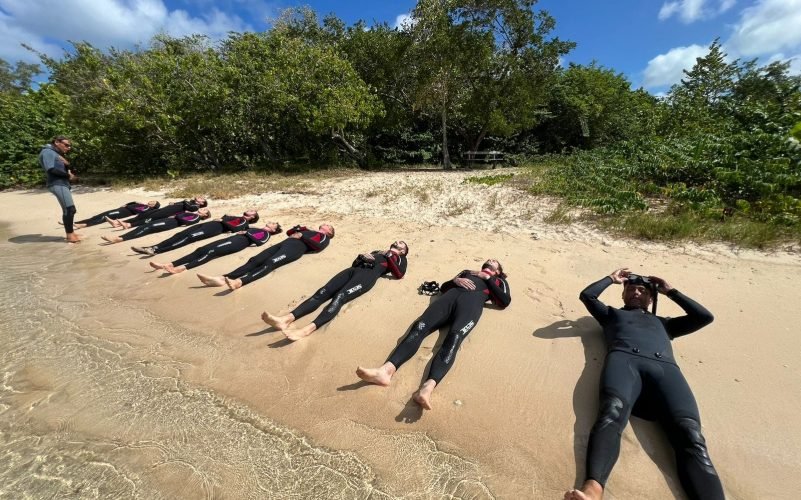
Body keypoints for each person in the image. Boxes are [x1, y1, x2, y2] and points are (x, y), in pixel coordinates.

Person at [564, 268, 724, 500]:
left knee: (690, 434)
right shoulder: (611, 314)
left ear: (651, 298)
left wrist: (671, 291)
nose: (636, 292)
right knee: (611, 412)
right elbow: (588, 296)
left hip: (666, 372)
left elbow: (704, 317)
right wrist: (611, 279)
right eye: (631, 289)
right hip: (625, 363)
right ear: (623, 295)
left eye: (642, 290)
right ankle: (592, 490)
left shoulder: (665, 324)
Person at [356, 259, 511, 410]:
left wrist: (488, 278)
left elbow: (504, 301)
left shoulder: (499, 281)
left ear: (498, 271)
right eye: (489, 260)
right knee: (419, 327)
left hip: (470, 305)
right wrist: (455, 281)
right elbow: (444, 287)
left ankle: (427, 389)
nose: (491, 260)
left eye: (494, 262)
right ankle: (385, 371)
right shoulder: (468, 272)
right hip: (448, 299)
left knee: (454, 338)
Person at [262, 240, 409, 341]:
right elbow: (355, 263)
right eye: (397, 241)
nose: (397, 242)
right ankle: (286, 319)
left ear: (403, 251)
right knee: (322, 292)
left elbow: (399, 274)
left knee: (340, 296)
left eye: (401, 243)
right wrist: (361, 257)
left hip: (367, 276)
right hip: (352, 270)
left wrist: (390, 257)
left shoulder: (400, 258)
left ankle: (307, 329)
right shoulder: (378, 251)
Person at [196, 224, 334, 290]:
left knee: (270, 262)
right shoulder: (309, 231)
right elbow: (289, 232)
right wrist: (302, 228)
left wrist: (302, 236)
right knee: (255, 260)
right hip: (283, 244)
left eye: (329, 226)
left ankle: (241, 281)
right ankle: (223, 278)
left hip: (296, 249)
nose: (326, 225)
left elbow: (318, 247)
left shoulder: (324, 237)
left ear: (329, 232)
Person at [148, 223, 282, 274]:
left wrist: (246, 233)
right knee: (200, 250)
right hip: (232, 239)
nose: (271, 223)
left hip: (238, 243)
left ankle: (182, 268)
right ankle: (170, 264)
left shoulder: (266, 234)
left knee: (211, 252)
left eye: (273, 225)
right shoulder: (256, 228)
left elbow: (260, 242)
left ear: (273, 230)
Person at [130, 210, 259, 256]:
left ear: (253, 217)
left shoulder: (244, 222)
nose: (250, 209)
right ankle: (152, 247)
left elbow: (234, 228)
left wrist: (223, 220)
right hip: (208, 224)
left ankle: (157, 250)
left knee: (189, 237)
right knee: (179, 235)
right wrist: (225, 217)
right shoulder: (238, 217)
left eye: (252, 211)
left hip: (214, 228)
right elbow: (229, 220)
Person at [39, 135, 79, 243]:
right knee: (70, 209)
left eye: (69, 146)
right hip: (57, 184)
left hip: (62, 184)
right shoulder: (47, 152)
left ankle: (71, 233)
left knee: (69, 210)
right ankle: (70, 236)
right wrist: (68, 176)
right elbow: (51, 169)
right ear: (57, 142)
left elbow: (60, 167)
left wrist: (67, 166)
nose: (68, 147)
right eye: (66, 145)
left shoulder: (55, 153)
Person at [100, 208, 211, 244]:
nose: (202, 209)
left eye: (205, 210)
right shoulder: (192, 213)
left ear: (205, 215)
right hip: (168, 221)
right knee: (144, 227)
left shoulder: (196, 217)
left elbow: (186, 222)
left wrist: (179, 215)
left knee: (146, 228)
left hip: (170, 223)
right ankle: (120, 237)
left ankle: (119, 239)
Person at [107, 196, 208, 229]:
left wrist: (183, 201)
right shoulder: (190, 202)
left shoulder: (196, 206)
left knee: (150, 219)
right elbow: (183, 203)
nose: (200, 197)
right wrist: (174, 203)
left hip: (168, 212)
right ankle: (118, 223)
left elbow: (188, 207)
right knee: (144, 215)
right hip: (165, 209)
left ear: (202, 203)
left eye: (202, 198)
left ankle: (129, 225)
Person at [73, 200, 161, 228]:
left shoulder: (147, 208)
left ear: (153, 206)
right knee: (100, 215)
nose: (151, 201)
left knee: (104, 217)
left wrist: (128, 206)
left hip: (123, 212)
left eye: (153, 202)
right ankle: (79, 223)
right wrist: (128, 204)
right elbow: (133, 203)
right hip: (122, 209)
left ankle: (85, 224)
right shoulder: (144, 205)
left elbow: (139, 211)